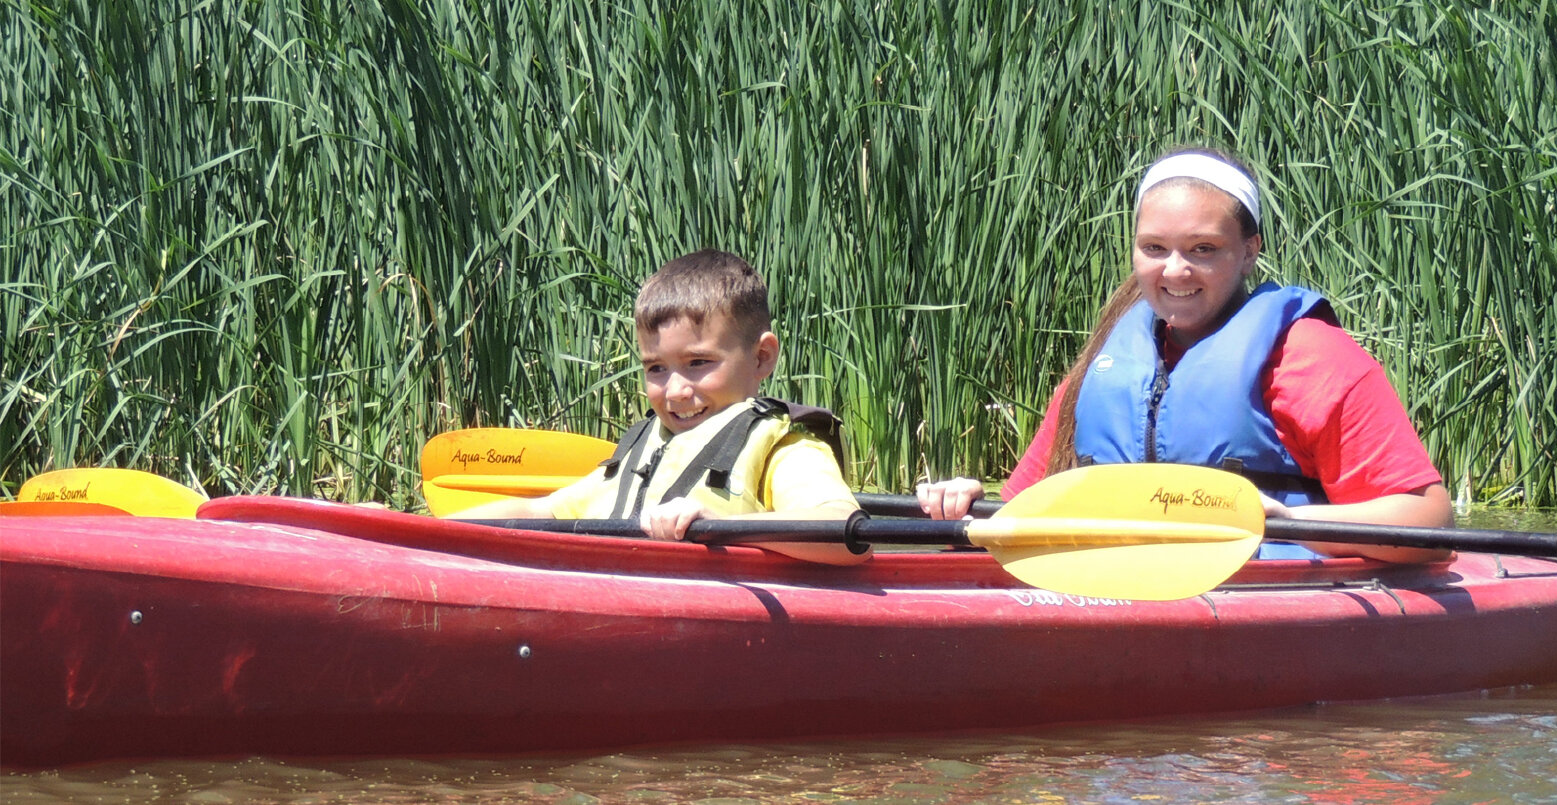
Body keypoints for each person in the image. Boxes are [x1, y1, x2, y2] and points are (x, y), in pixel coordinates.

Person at [917, 148, 1453, 563]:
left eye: (1203, 249)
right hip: (1103, 579)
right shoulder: (1107, 362)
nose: (1174, 271)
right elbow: (1021, 512)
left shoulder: (1310, 357)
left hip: (1265, 587)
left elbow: (1429, 522)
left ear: (1249, 251)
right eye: (1154, 248)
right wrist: (968, 503)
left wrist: (1282, 519)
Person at [454, 249, 867, 565]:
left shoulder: (787, 449)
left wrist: (718, 525)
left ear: (761, 357)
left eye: (698, 363)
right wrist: (421, 530)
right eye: (655, 368)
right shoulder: (647, 447)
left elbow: (845, 532)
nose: (675, 392)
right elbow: (542, 510)